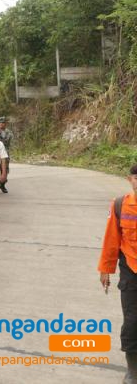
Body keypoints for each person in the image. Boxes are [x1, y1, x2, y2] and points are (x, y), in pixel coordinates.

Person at [98, 164, 137, 383]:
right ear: (129, 179)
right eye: (136, 178)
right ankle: (133, 370)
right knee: (132, 322)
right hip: (131, 271)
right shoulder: (120, 205)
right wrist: (106, 268)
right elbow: (112, 239)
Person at [0, 117, 14, 193]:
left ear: (6, 124)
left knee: (5, 170)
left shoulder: (9, 132)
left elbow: (9, 141)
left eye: (3, 123)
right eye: (0, 122)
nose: (2, 124)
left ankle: (2, 185)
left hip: (5, 153)